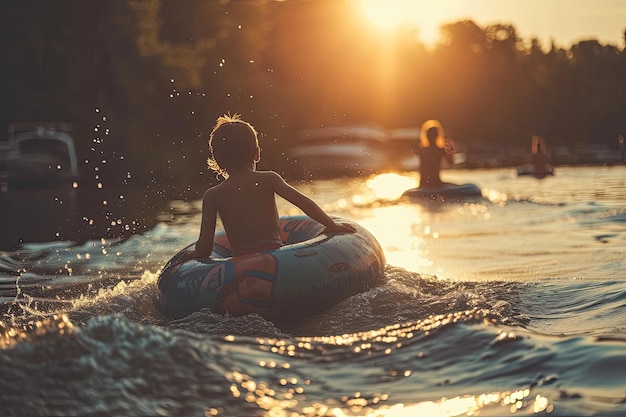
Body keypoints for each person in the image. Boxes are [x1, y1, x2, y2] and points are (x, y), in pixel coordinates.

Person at [181, 113, 355, 260]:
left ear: (217, 161)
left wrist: (194, 254)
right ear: (256, 154)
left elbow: (204, 247)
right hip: (276, 258)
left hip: (240, 268)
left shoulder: (213, 195)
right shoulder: (269, 179)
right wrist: (331, 224)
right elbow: (303, 203)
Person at [413, 119, 455, 188]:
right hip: (433, 184)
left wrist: (450, 151)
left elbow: (451, 163)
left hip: (426, 184)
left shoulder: (421, 150)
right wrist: (450, 151)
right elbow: (451, 163)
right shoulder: (439, 150)